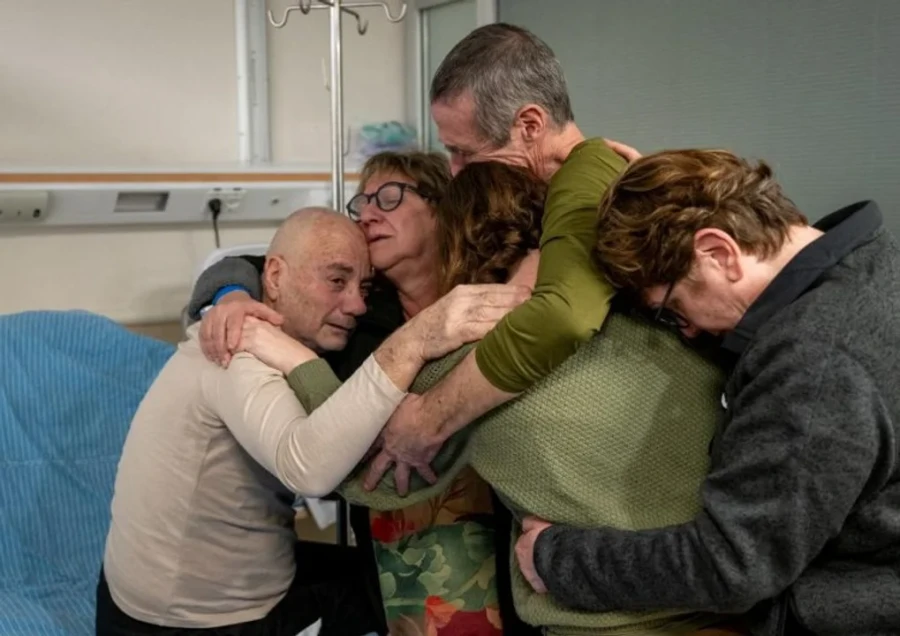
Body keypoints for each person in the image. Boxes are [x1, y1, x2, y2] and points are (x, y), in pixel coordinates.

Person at [286, 161, 737, 636]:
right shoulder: (671, 323)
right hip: (727, 607)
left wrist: (285, 354)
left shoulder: (466, 363)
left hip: (599, 619)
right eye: (364, 202)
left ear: (446, 228)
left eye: (391, 197)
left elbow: (348, 465)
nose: (370, 215)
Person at [517, 149, 900, 636]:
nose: (688, 331)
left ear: (719, 252)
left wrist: (556, 558)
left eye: (673, 309)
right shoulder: (870, 261)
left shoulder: (814, 363)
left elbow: (731, 566)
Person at [97, 207, 524, 636]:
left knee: (383, 573)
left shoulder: (301, 332)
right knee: (408, 594)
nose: (356, 303)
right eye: (336, 281)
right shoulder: (235, 349)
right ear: (276, 278)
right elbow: (310, 468)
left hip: (179, 589)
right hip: (186, 621)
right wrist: (414, 343)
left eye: (364, 286)